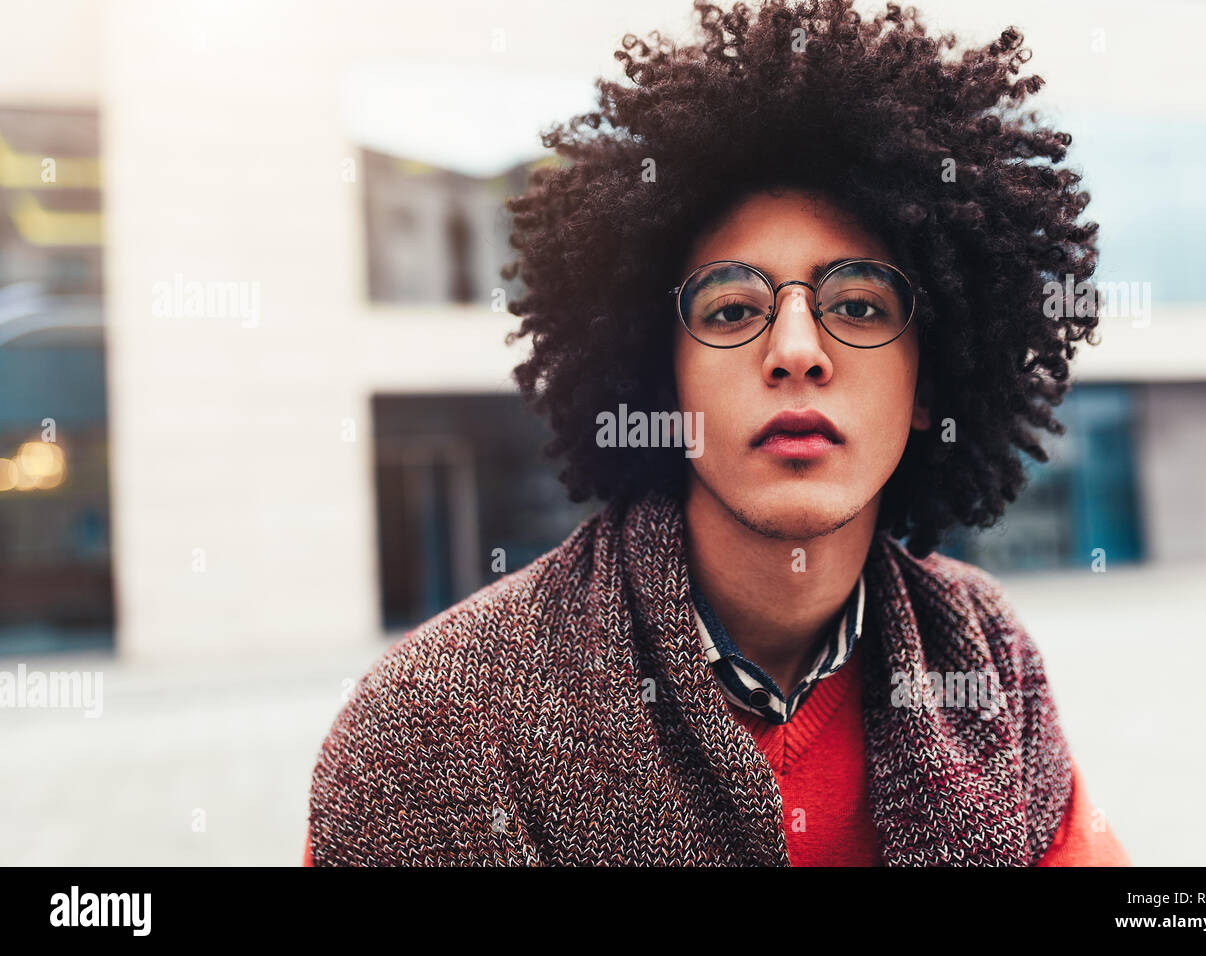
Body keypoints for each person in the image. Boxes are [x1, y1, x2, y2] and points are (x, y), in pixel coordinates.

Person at [306, 0, 1129, 866]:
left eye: (857, 306)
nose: (798, 351)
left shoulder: (987, 656)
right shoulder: (435, 723)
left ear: (931, 385)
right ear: (660, 379)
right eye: (733, 309)